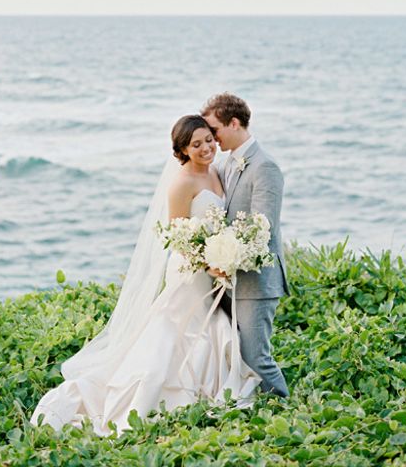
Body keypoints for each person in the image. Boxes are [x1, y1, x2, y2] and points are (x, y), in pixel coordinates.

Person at [29, 115, 260, 436]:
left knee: (211, 328)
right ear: (183, 150)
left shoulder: (216, 173)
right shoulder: (181, 183)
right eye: (196, 145)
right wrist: (209, 262)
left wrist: (226, 253)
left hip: (211, 269)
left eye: (209, 140)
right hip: (189, 270)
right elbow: (178, 237)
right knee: (178, 329)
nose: (206, 148)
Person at [201, 93, 289, 397]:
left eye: (214, 131)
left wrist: (226, 260)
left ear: (234, 123)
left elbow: (262, 229)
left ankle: (285, 409)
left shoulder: (265, 167)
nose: (211, 139)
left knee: (257, 358)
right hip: (227, 280)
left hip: (256, 281)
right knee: (231, 352)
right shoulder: (227, 163)